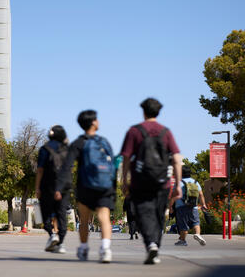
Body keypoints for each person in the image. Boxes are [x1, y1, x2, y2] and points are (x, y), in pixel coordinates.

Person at [121, 98, 182, 265]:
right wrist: (177, 184)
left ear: (143, 111)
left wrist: (124, 179)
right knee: (158, 214)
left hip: (140, 181)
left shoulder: (134, 131)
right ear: (158, 112)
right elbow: (176, 159)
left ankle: (151, 244)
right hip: (162, 182)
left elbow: (125, 157)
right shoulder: (166, 132)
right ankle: (155, 244)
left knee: (143, 214)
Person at [55, 110, 116, 263]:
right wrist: (113, 187)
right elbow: (113, 165)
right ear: (94, 122)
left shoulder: (78, 143)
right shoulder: (104, 142)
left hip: (85, 185)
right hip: (104, 185)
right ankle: (105, 249)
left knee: (84, 219)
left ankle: (83, 248)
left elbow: (66, 166)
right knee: (104, 217)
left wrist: (59, 187)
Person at [35, 125, 70, 254]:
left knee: (46, 214)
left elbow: (40, 170)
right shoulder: (67, 149)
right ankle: (61, 243)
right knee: (61, 215)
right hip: (64, 187)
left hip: (48, 186)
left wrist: (37, 187)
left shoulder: (44, 149)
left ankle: (51, 234)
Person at [170, 165, 207, 246]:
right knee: (196, 223)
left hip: (181, 207)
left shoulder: (179, 183)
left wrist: (170, 207)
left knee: (183, 225)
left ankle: (183, 241)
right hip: (194, 207)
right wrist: (203, 204)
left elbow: (173, 196)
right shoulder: (195, 182)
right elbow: (201, 195)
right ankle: (197, 234)